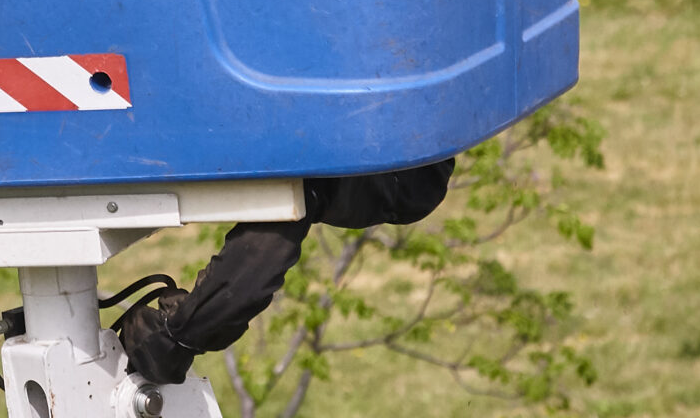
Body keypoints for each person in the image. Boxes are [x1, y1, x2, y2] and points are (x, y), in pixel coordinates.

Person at [108, 161, 458, 391]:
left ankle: (174, 340)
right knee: (301, 189)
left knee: (300, 189)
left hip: (396, 164)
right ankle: (175, 340)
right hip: (404, 160)